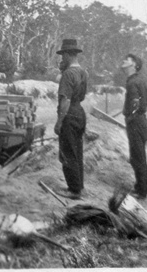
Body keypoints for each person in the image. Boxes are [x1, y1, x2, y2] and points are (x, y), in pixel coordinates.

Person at [54, 38, 88, 199]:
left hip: (69, 114)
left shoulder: (68, 74)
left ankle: (73, 190)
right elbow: (81, 96)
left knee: (67, 152)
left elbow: (65, 100)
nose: (62, 59)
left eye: (63, 56)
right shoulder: (83, 72)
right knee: (77, 151)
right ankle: (79, 186)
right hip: (80, 112)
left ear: (68, 55)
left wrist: (59, 122)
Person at [121, 53, 147, 199]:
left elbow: (135, 103)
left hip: (135, 123)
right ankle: (141, 187)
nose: (123, 61)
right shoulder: (139, 80)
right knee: (139, 157)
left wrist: (130, 118)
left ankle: (141, 191)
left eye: (127, 60)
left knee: (137, 157)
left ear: (134, 65)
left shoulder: (132, 82)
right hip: (141, 122)